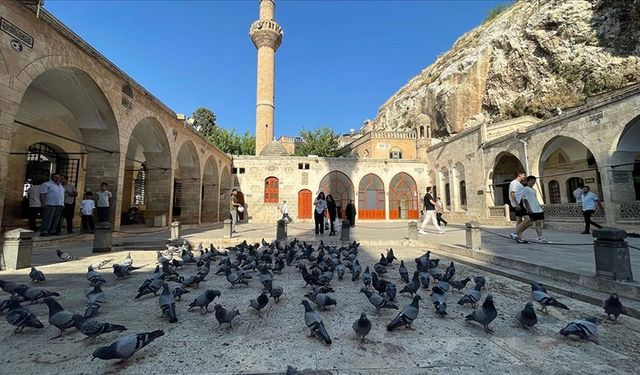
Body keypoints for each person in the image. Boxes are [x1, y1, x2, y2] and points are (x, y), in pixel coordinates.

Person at [522, 176, 550, 243]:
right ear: (527, 181)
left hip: (537, 209)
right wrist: (529, 209)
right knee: (529, 223)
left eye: (534, 181)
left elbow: (535, 199)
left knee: (538, 223)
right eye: (531, 180)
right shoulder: (525, 189)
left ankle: (540, 237)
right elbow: (525, 200)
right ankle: (517, 232)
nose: (533, 182)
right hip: (531, 209)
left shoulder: (534, 190)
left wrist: (540, 207)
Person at [509, 170, 529, 243]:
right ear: (519, 175)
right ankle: (515, 234)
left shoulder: (519, 184)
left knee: (519, 221)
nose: (524, 176)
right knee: (528, 219)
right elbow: (512, 193)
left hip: (519, 203)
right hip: (518, 203)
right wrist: (517, 204)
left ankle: (520, 238)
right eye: (524, 175)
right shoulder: (514, 183)